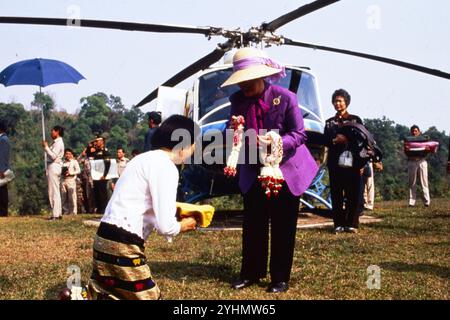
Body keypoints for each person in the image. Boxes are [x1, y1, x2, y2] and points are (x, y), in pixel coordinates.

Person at [221, 47, 318, 293]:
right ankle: (251, 273)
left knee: (284, 224)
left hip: (284, 171)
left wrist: (276, 142)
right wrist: (233, 134)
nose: (243, 86)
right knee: (253, 223)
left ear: (261, 76)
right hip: (253, 170)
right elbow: (231, 132)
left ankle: (280, 278)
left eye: (248, 80)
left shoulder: (285, 98)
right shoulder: (237, 101)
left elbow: (299, 134)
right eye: (240, 81)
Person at [87, 115, 198, 300]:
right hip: (124, 243)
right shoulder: (167, 168)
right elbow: (165, 226)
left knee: (109, 294)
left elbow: (140, 200)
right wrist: (184, 225)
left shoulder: (141, 159)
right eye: (193, 145)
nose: (193, 150)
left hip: (103, 238)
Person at [324, 89, 368, 233]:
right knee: (336, 194)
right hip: (335, 163)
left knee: (353, 194)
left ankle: (352, 223)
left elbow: (363, 140)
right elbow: (326, 141)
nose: (338, 103)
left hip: (353, 163)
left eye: (340, 101)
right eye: (335, 101)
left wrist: (346, 140)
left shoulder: (356, 120)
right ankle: (338, 223)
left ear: (346, 102)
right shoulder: (329, 122)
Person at [42, 125, 65, 220]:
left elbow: (53, 156)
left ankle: (55, 214)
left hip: (54, 166)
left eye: (53, 131)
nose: (51, 133)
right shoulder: (56, 142)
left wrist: (46, 147)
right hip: (54, 166)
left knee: (53, 191)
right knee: (55, 190)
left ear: (57, 132)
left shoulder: (58, 143)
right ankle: (57, 213)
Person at [405, 125, 430, 207]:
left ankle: (427, 201)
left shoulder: (423, 140)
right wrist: (406, 149)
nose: (414, 132)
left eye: (416, 131)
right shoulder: (408, 141)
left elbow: (428, 151)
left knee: (424, 182)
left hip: (422, 161)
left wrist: (427, 150)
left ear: (419, 132)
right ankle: (412, 202)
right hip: (412, 161)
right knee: (412, 182)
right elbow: (406, 152)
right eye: (412, 131)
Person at [91, 136, 111, 214]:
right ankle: (99, 208)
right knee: (96, 192)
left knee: (102, 193)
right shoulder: (96, 151)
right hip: (96, 175)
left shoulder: (105, 151)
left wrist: (105, 175)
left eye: (98, 141)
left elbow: (107, 164)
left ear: (102, 142)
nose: (96, 142)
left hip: (102, 175)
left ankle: (103, 209)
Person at [77, 141, 96, 213]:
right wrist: (82, 154)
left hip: (96, 178)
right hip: (87, 178)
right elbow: (77, 162)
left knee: (95, 194)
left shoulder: (97, 157)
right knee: (89, 195)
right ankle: (91, 210)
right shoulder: (85, 159)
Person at [61, 149, 81, 215]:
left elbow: (78, 170)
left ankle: (73, 212)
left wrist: (71, 173)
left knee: (72, 196)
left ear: (72, 154)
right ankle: (66, 211)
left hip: (71, 179)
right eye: (66, 154)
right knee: (64, 196)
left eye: (69, 154)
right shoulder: (63, 162)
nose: (68, 155)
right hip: (63, 180)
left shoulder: (74, 162)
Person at [0, 121, 11, 217]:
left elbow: (3, 155)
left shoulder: (3, 139)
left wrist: (2, 170)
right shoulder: (3, 139)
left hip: (2, 169)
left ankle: (3, 212)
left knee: (2, 190)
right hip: (2, 168)